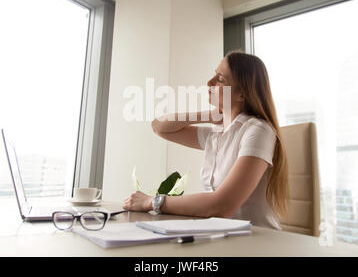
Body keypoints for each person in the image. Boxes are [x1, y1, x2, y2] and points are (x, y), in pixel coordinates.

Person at [122, 50, 289, 229]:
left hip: (255, 242)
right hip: (221, 235)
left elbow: (221, 205)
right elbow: (159, 127)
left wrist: (152, 202)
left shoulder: (258, 131)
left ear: (242, 94)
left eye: (220, 79)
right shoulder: (218, 133)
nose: (209, 82)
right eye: (214, 74)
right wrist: (209, 115)